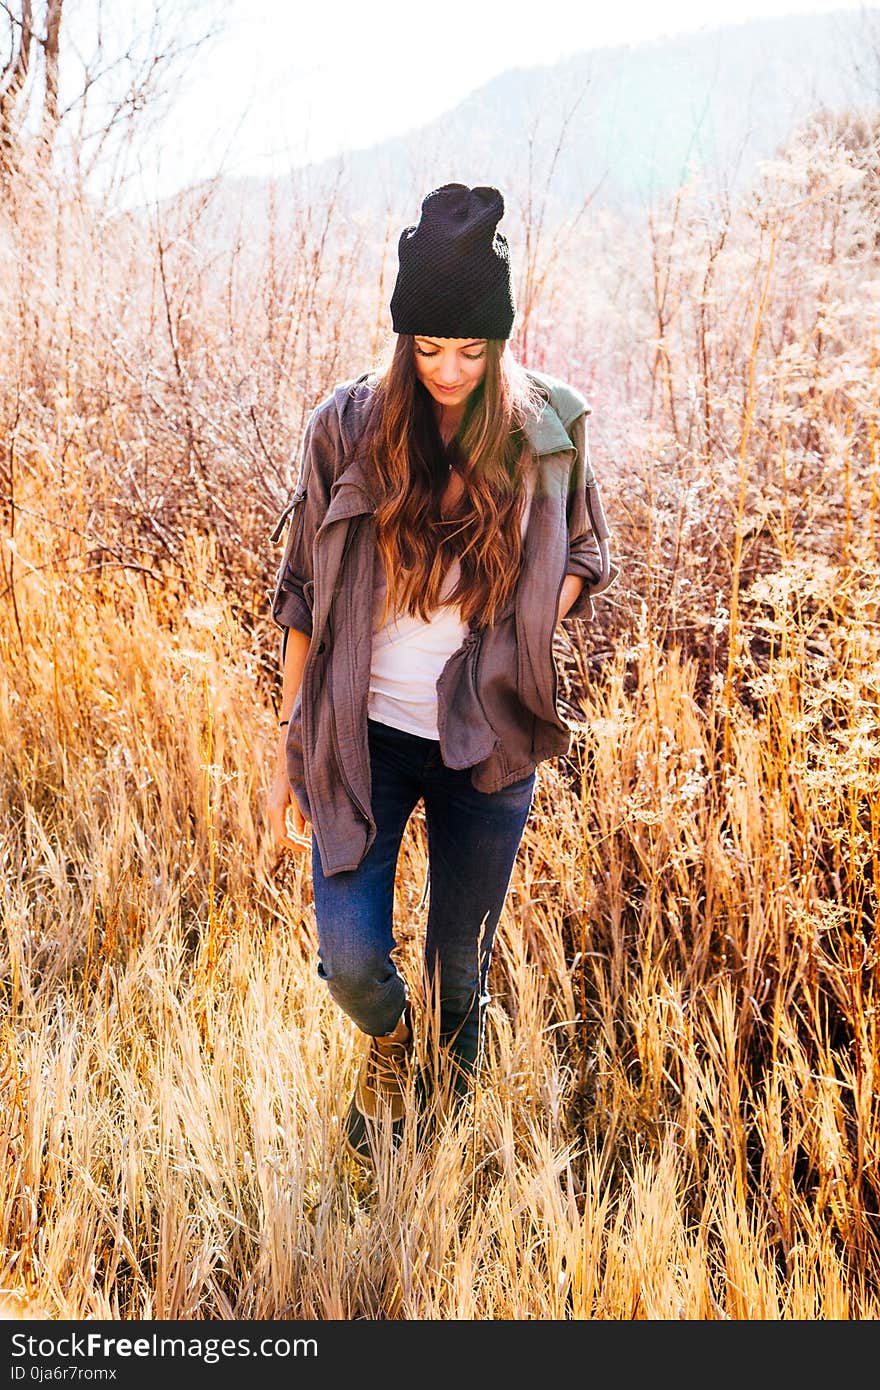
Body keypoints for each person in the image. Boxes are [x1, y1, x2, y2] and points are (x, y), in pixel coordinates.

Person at [267, 182, 617, 1166]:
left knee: (459, 974)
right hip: (361, 737)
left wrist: (527, 627)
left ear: (500, 341)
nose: (452, 370)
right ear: (401, 338)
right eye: (429, 348)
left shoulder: (547, 426)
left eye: (473, 350)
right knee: (347, 961)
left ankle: (434, 1145)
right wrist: (287, 748)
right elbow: (300, 590)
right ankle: (385, 1046)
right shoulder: (345, 426)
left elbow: (590, 555)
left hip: (487, 741)